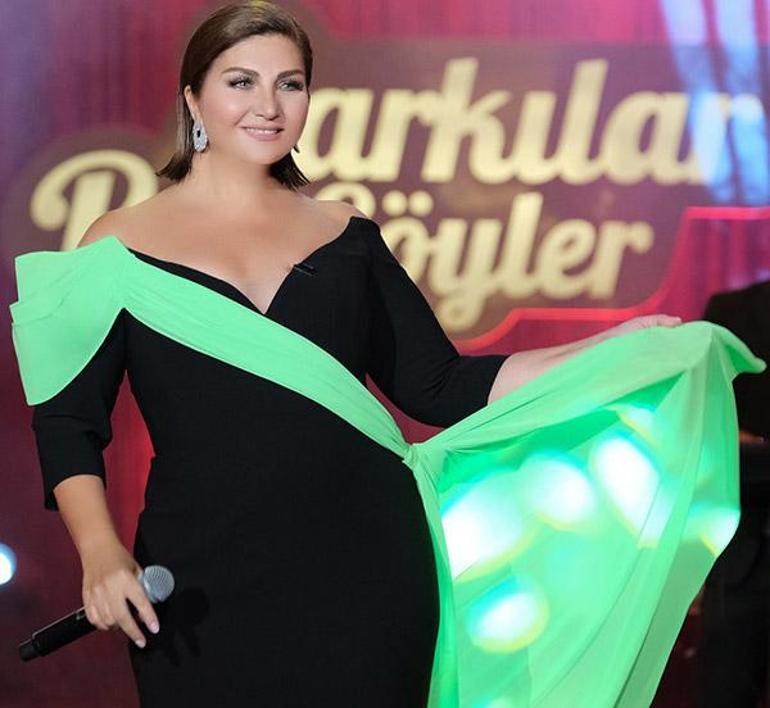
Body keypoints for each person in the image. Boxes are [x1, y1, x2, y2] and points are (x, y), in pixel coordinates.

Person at [17, 3, 732, 707]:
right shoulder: (113, 245)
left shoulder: (347, 231)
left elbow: (440, 384)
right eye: (241, 82)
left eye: (290, 84)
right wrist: (100, 552)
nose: (268, 105)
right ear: (193, 98)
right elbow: (68, 421)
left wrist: (607, 347)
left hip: (369, 563)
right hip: (199, 578)